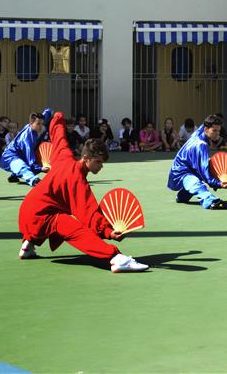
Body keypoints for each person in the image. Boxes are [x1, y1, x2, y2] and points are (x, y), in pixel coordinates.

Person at [17, 112, 149, 272]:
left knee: (55, 208)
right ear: (86, 158)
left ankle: (28, 245)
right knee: (76, 230)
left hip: (26, 210)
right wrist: (108, 231)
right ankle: (116, 258)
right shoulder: (77, 181)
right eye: (98, 162)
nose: (101, 166)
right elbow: (90, 214)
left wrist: (58, 118)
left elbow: (59, 137)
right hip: (40, 216)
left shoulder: (64, 156)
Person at [167, 114, 227, 210]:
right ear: (206, 129)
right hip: (180, 173)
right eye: (214, 130)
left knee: (195, 176)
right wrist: (218, 183)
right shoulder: (201, 145)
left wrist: (213, 117)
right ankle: (211, 201)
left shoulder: (198, 132)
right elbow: (204, 171)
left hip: (185, 169)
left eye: (219, 131)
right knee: (196, 182)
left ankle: (182, 196)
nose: (217, 133)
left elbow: (204, 124)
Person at [2, 110, 51, 186]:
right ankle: (34, 180)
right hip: (10, 156)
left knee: (25, 163)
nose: (41, 126)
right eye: (38, 124)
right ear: (31, 123)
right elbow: (30, 159)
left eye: (42, 123)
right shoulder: (26, 138)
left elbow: (47, 113)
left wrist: (49, 112)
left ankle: (14, 175)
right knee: (22, 165)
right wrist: (40, 168)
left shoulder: (38, 127)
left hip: (22, 154)